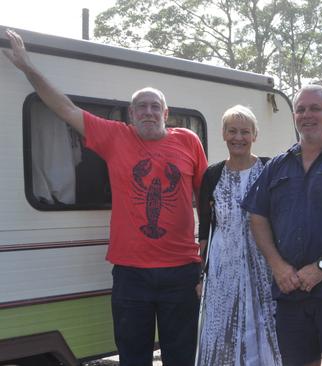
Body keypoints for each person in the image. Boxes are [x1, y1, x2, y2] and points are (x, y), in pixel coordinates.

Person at [3, 30, 208, 366]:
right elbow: (64, 108)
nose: (148, 111)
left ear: (166, 113)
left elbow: (205, 199)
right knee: (133, 356)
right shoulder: (115, 137)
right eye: (141, 106)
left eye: (155, 107)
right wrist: (28, 67)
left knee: (183, 356)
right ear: (130, 114)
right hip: (131, 273)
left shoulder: (188, 141)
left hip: (182, 271)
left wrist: (206, 255)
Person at [242, 85, 322, 366]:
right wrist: (277, 266)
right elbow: (257, 217)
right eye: (301, 109)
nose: (307, 115)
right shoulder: (277, 166)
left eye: (315, 108)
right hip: (289, 292)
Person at [195, 105, 281, 365]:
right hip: (223, 269)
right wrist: (201, 274)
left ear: (254, 135)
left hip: (264, 266)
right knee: (222, 332)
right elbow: (205, 230)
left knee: (265, 328)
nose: (238, 137)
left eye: (245, 132)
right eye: (232, 131)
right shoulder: (212, 174)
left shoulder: (269, 169)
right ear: (223, 134)